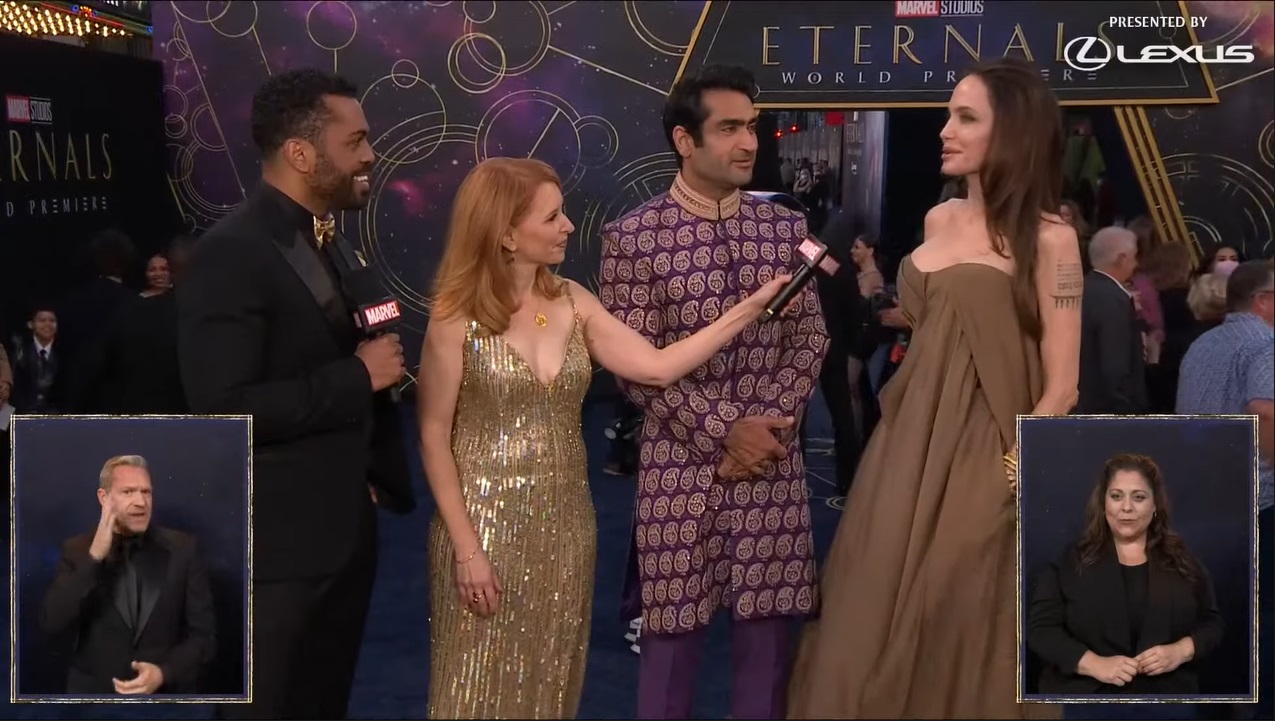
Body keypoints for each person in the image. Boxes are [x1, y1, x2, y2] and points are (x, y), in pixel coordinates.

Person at [418, 157, 787, 719]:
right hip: (481, 527)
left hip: (567, 528)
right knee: (473, 689)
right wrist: (468, 550)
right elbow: (432, 436)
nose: (568, 226)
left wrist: (749, 309)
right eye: (552, 217)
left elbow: (657, 368)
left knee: (551, 683)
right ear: (506, 234)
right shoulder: (453, 318)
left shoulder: (573, 300)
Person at [787, 57, 1082, 719]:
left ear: (1013, 132)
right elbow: (932, 328)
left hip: (987, 449)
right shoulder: (938, 218)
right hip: (907, 440)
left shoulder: (1052, 239)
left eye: (965, 117)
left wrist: (1007, 475)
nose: (945, 130)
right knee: (870, 603)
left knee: (959, 609)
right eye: (948, 114)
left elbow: (1062, 386)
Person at [177, 69, 415, 719]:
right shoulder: (232, 252)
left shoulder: (324, 240)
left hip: (339, 536)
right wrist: (356, 378)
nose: (370, 155)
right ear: (301, 153)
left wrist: (366, 473)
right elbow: (221, 408)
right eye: (355, 141)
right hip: (273, 556)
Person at [598, 64, 829, 720]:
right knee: (669, 649)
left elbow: (809, 340)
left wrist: (766, 429)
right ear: (684, 139)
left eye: (751, 127)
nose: (748, 143)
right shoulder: (633, 239)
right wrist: (727, 430)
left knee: (767, 650)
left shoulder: (784, 232)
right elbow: (635, 369)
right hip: (680, 469)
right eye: (729, 128)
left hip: (772, 467)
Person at [1027, 453, 1223, 701]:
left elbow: (1211, 623)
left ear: (1155, 505)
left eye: (1138, 497)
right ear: (1104, 503)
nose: (1126, 507)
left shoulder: (1184, 562)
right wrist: (1095, 664)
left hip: (1166, 699)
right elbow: (1041, 630)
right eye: (1116, 496)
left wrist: (1181, 651)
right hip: (1086, 698)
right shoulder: (1068, 562)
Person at [39, 455, 216, 695]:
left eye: (146, 492)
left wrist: (164, 673)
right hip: (94, 700)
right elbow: (52, 622)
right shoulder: (76, 550)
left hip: (165, 701)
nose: (141, 502)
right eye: (128, 492)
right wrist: (94, 559)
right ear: (104, 497)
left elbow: (204, 637)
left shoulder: (183, 549)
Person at [77, 235, 198, 415]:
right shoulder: (129, 307)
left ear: (172, 272)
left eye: (163, 269)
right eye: (153, 269)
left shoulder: (189, 307)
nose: (158, 274)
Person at [1077, 226, 1147, 414]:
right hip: (1109, 413)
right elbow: (1115, 366)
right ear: (1122, 258)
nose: (1136, 264)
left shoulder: (1081, 289)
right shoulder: (1114, 299)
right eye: (1135, 256)